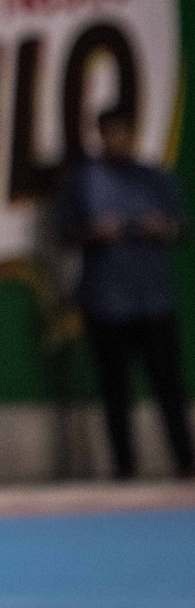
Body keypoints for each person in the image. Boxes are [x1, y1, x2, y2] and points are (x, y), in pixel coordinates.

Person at [58, 108, 193, 480]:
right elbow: (64, 234)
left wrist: (162, 228)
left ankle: (185, 461)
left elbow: (180, 227)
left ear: (134, 134)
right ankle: (125, 468)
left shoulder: (155, 179)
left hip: (153, 299)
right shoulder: (84, 181)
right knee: (116, 391)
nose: (118, 139)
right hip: (106, 301)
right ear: (100, 135)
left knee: (170, 387)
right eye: (111, 133)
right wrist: (95, 232)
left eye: (124, 132)